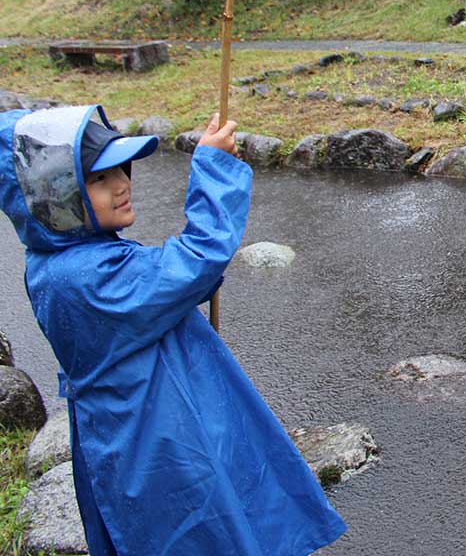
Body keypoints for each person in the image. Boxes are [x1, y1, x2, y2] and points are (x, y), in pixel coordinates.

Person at [0, 106, 346, 555]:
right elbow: (198, 258)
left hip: (142, 423)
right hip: (155, 444)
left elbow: (168, 288)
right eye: (99, 179)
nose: (123, 184)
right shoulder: (83, 275)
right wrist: (214, 168)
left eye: (121, 169)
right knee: (196, 535)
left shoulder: (65, 257)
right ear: (50, 196)